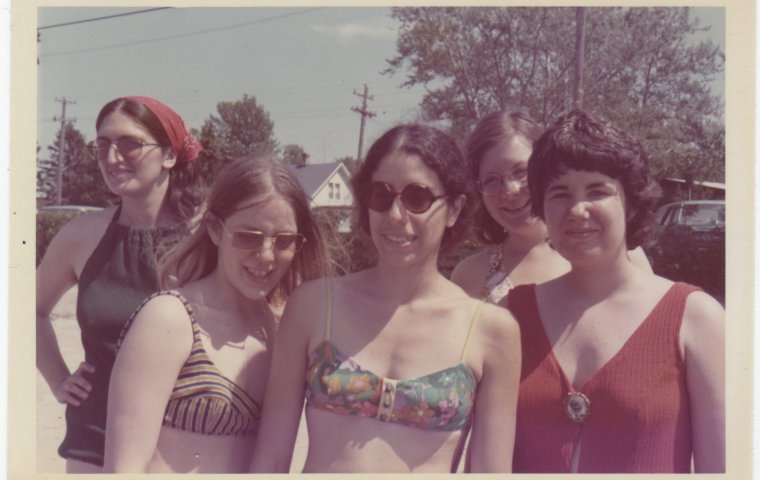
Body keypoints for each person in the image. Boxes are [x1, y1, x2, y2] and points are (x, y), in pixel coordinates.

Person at [250, 124, 521, 473]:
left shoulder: (491, 329)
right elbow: (270, 460)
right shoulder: (314, 305)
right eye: (381, 195)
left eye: (417, 198)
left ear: (454, 209)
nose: (396, 216)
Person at [507, 110, 724, 473]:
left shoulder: (696, 318)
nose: (578, 209)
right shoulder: (509, 314)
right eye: (559, 193)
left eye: (598, 191)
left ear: (631, 203)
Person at [102, 155, 331, 473]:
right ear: (214, 230)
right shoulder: (169, 318)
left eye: (283, 241)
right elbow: (123, 468)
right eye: (248, 236)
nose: (266, 255)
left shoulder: (282, 331)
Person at [36, 96, 204, 472]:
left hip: (185, 444)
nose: (112, 158)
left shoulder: (207, 237)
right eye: (103, 145)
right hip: (95, 439)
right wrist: (58, 379)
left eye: (129, 144)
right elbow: (27, 310)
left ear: (170, 155)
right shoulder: (81, 235)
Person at [451, 110, 651, 303]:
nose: (509, 190)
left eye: (520, 172)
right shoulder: (468, 274)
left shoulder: (619, 254)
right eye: (491, 180)